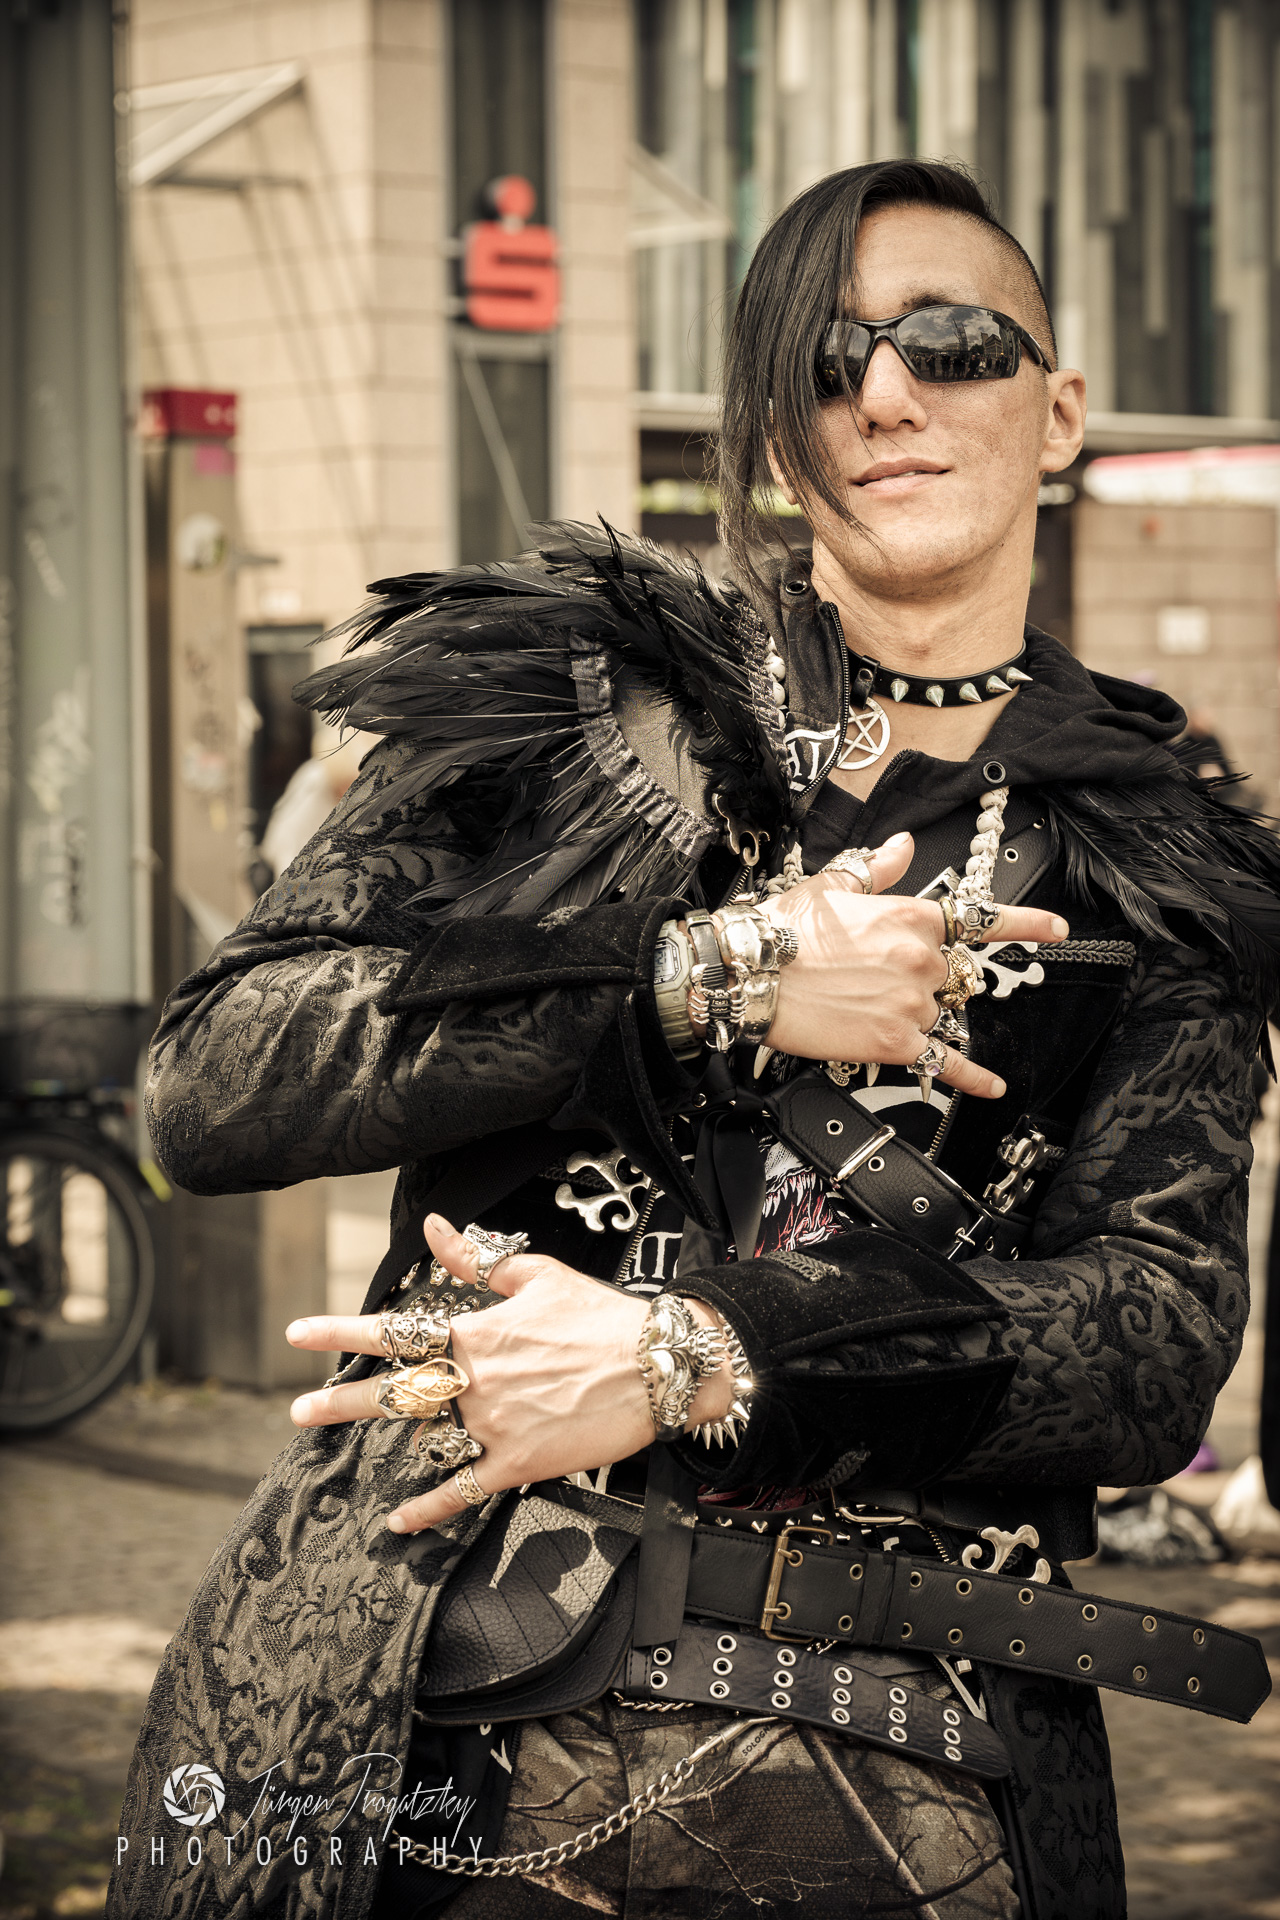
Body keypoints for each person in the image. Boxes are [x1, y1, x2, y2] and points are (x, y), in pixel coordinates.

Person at [114, 161, 1280, 1920]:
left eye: (951, 342)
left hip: (915, 1772)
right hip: (427, 1716)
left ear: (1058, 412)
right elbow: (213, 1080)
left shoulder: (1159, 858)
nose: (885, 391)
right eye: (826, 359)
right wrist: (691, 979)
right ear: (776, 443)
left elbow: (1155, 1339)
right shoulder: (563, 709)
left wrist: (697, 1351)